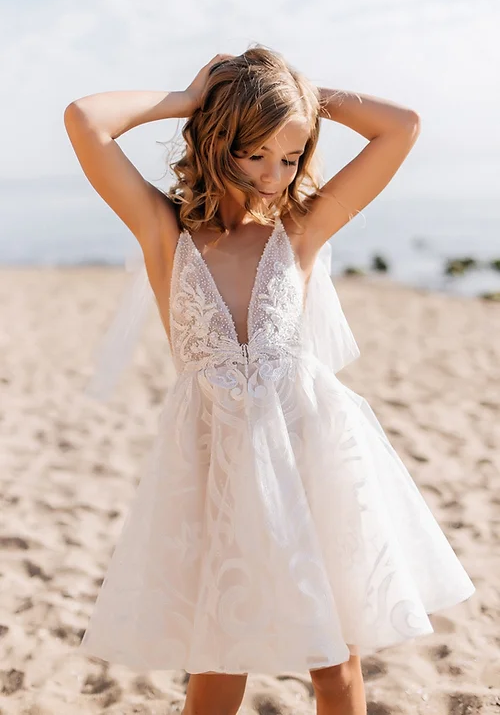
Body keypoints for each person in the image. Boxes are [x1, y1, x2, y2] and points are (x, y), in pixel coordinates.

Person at [63, 45, 475, 715]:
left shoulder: (302, 228)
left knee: (335, 662)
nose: (273, 176)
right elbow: (84, 119)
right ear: (218, 140)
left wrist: (298, 93)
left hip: (311, 459)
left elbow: (401, 127)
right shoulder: (167, 233)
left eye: (291, 157)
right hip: (216, 470)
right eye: (256, 154)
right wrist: (191, 98)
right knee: (219, 664)